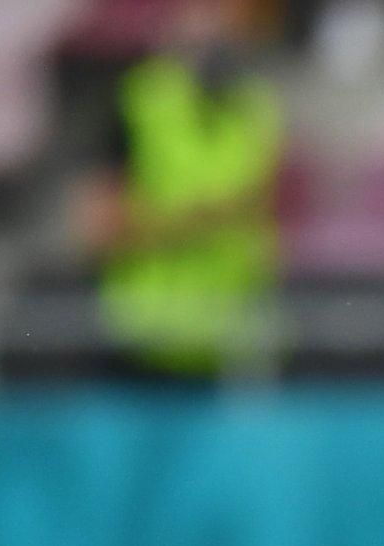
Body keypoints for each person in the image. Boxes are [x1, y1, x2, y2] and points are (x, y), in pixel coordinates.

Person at [86, 0, 283, 377]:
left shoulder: (259, 107)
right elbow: (98, 228)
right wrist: (204, 219)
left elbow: (262, 213)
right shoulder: (136, 99)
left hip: (228, 342)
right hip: (141, 340)